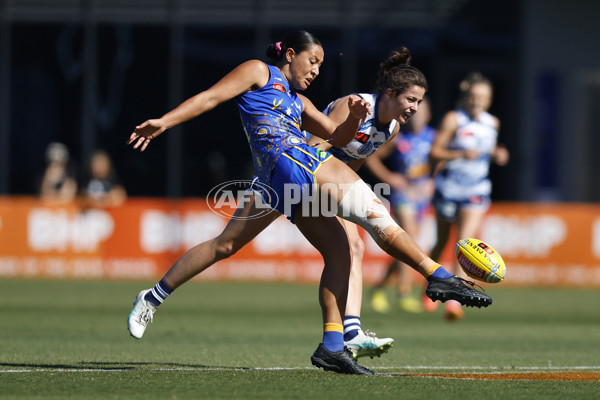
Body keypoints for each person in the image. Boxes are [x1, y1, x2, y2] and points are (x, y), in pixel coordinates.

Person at [126, 31, 492, 375]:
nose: (316, 70)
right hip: (294, 165)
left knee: (340, 251)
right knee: (366, 217)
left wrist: (354, 121)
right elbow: (210, 97)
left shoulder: (301, 102)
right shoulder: (259, 71)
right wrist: (165, 121)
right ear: (289, 54)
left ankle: (333, 344)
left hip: (288, 177)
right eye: (312, 61)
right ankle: (437, 276)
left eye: (320, 65)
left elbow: (338, 137)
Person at [425, 71, 509, 321]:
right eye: (473, 97)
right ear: (466, 97)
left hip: (476, 189)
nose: (477, 102)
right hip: (449, 187)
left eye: (482, 98)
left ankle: (455, 300)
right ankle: (429, 284)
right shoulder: (454, 119)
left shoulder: (492, 123)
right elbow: (434, 153)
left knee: (465, 243)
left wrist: (498, 154)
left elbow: (487, 148)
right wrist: (460, 154)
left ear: (489, 100)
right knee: (441, 243)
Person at [364, 97, 436, 314]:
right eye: (415, 112)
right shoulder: (397, 137)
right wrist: (389, 177)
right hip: (403, 194)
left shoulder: (433, 138)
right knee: (410, 236)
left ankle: (380, 286)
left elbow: (441, 162)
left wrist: (433, 180)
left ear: (429, 115)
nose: (418, 116)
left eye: (422, 112)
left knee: (407, 244)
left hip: (422, 197)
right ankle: (404, 291)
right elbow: (371, 157)